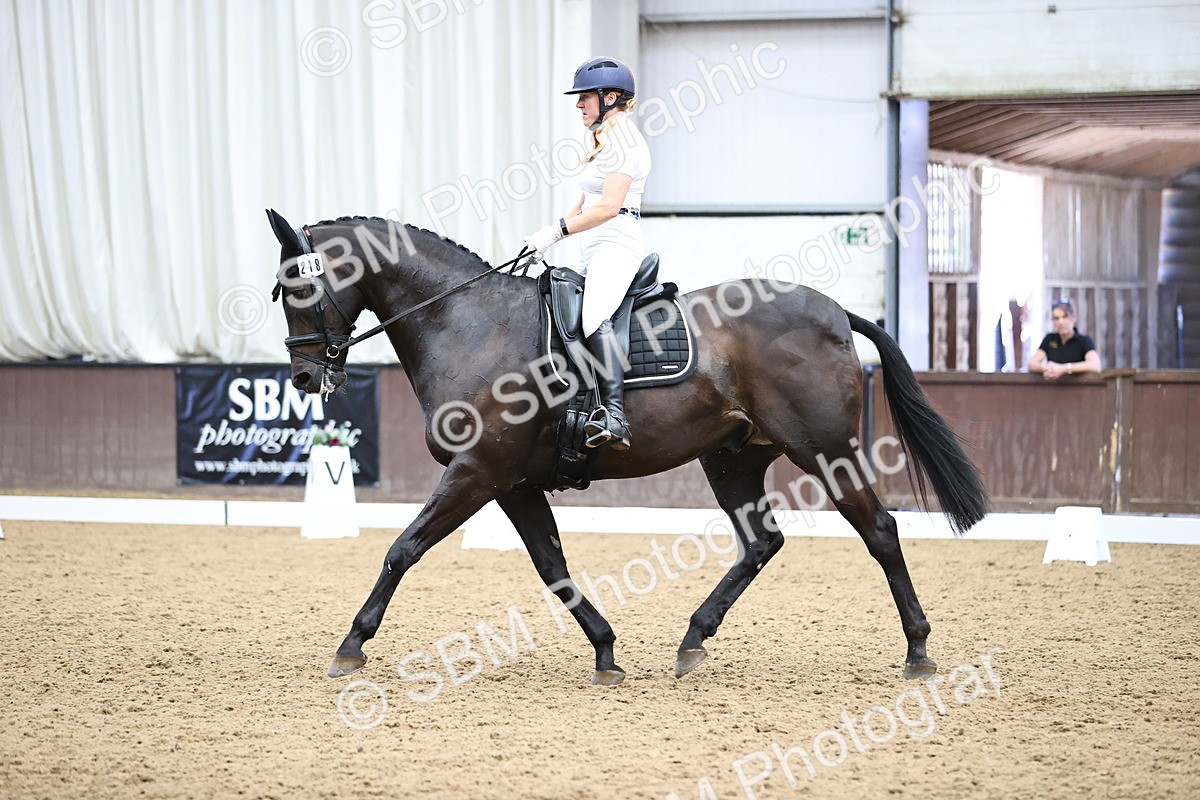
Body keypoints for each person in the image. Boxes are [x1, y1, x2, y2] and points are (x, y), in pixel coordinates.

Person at [523, 56, 651, 451]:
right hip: (590, 239)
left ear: (610, 97)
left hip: (617, 238)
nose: (579, 104)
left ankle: (614, 414)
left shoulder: (626, 141)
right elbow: (585, 200)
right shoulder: (602, 139)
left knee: (595, 316)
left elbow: (609, 205)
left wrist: (558, 231)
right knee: (553, 299)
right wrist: (546, 237)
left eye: (585, 98)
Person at [1027, 298, 1102, 379]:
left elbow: (1095, 365)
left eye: (1065, 317)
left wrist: (1064, 368)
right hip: (1053, 388)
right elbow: (1032, 363)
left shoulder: (1084, 341)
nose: (1060, 322)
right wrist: (1047, 368)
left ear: (1073, 318)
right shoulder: (1050, 339)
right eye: (1056, 318)